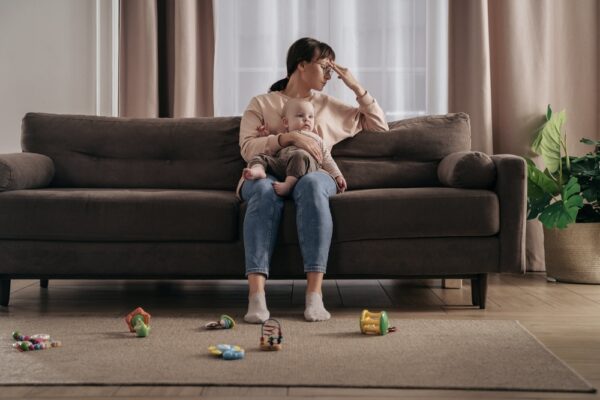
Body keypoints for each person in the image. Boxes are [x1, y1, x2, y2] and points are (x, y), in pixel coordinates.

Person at [239, 37, 388, 323]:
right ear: (301, 65)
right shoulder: (262, 102)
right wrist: (287, 137)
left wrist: (355, 86)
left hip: (314, 170)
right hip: (266, 170)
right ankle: (256, 297)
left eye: (333, 70)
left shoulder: (327, 105)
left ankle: (314, 296)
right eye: (324, 67)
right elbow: (247, 148)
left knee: (311, 184)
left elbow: (379, 126)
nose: (330, 76)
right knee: (262, 190)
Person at [243, 98, 347, 196]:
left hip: (304, 166)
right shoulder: (283, 136)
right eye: (300, 116)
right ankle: (259, 170)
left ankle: (288, 185)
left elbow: (327, 159)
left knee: (300, 155)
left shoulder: (316, 138)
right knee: (260, 157)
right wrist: (264, 136)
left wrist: (338, 176)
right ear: (286, 122)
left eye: (311, 116)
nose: (307, 119)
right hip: (282, 165)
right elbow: (269, 148)